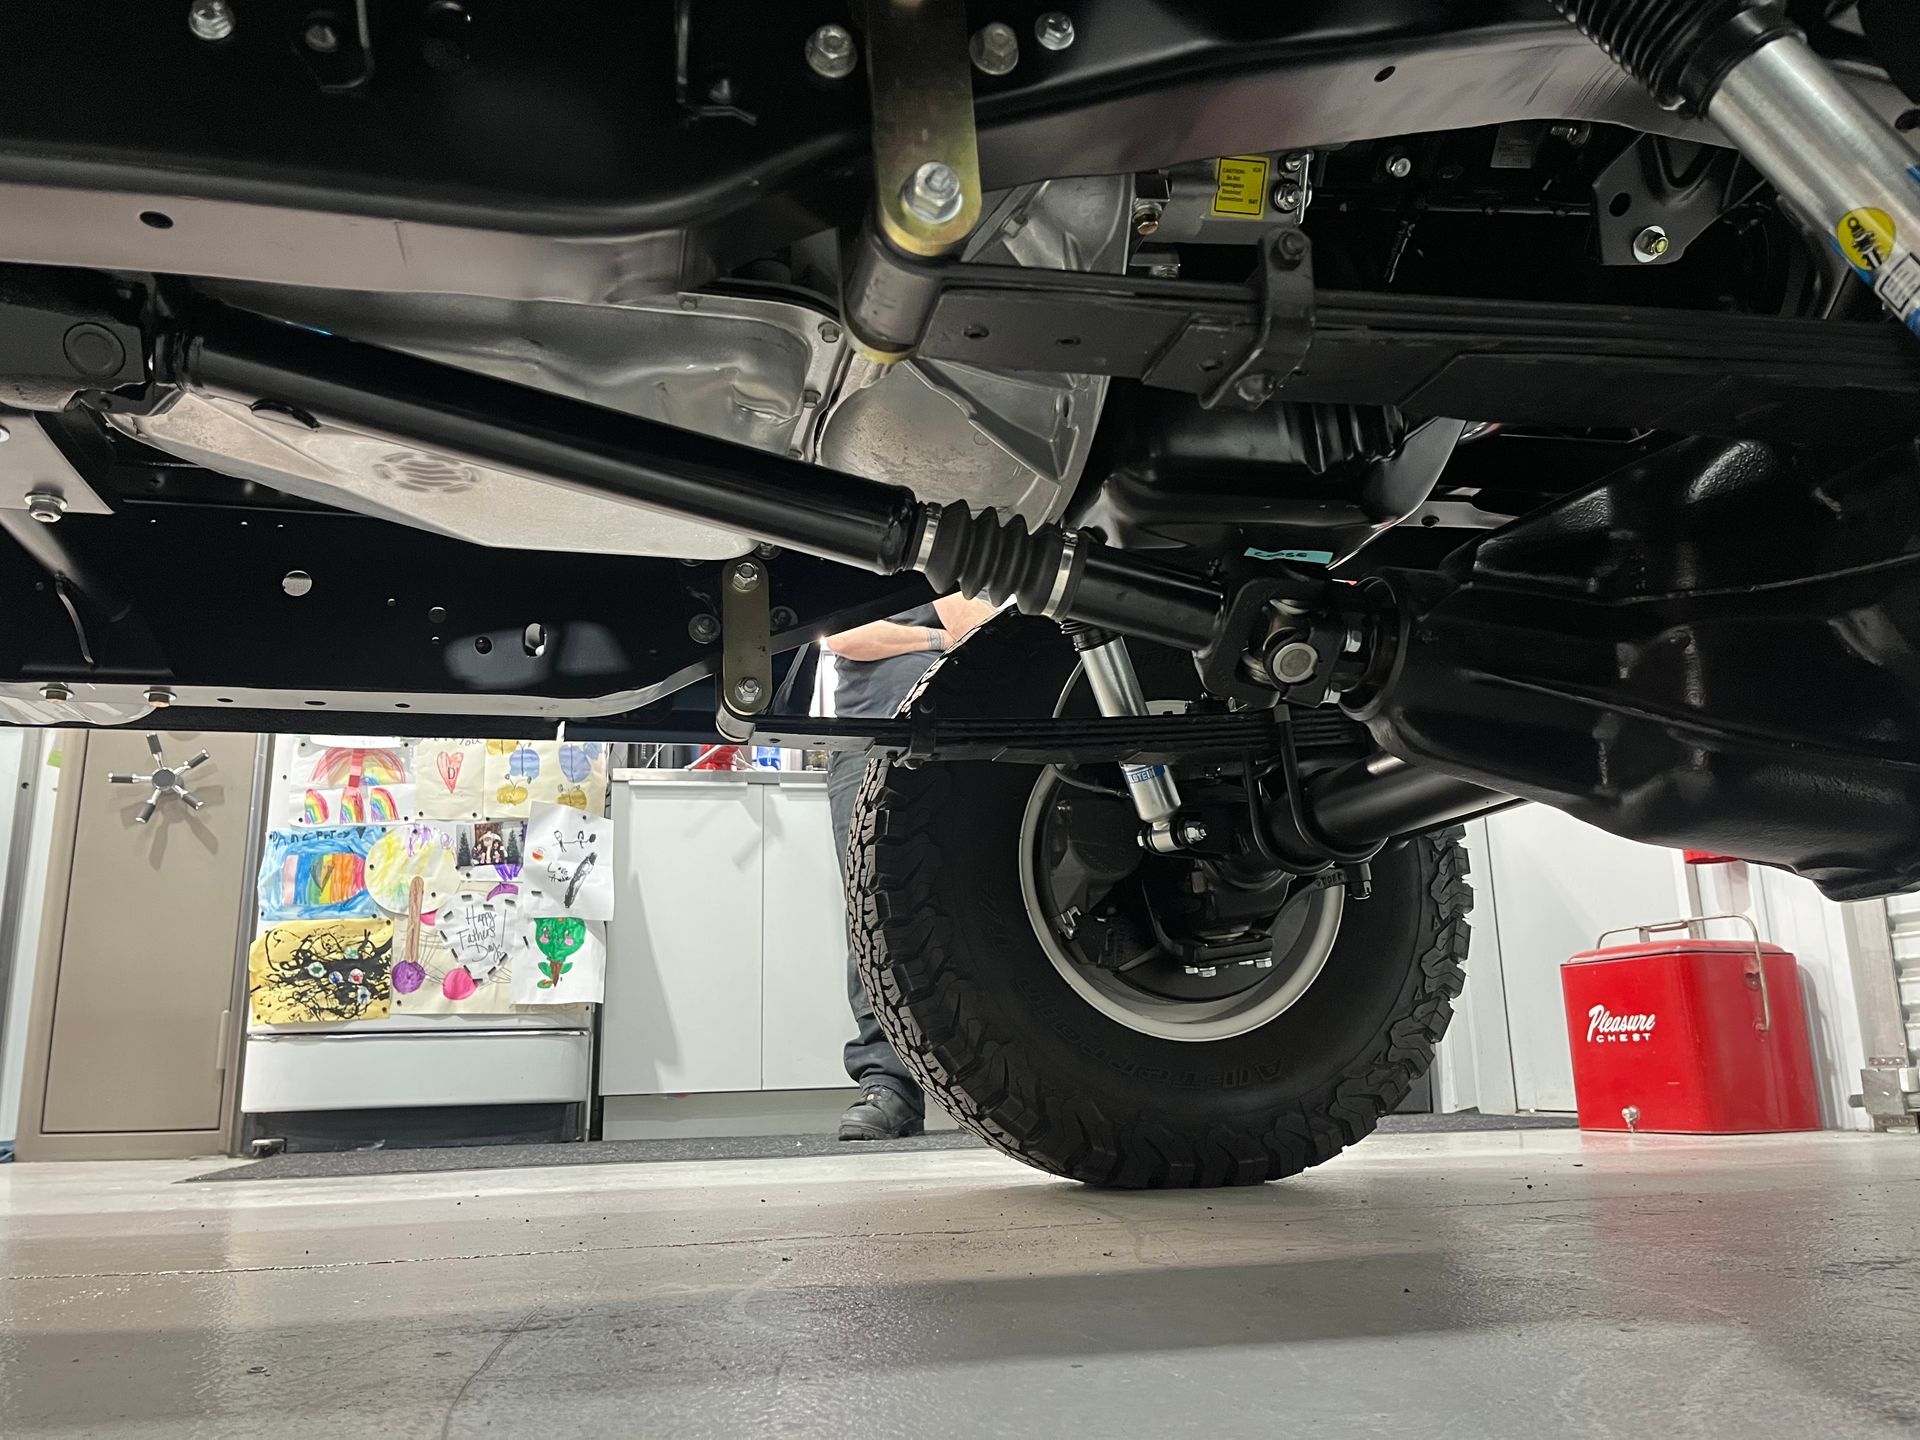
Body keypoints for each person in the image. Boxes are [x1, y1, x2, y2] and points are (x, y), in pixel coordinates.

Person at [820, 595, 997, 1139]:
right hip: (868, 737)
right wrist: (940, 640)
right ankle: (888, 1083)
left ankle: (996, 1089)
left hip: (966, 738)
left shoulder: (969, 556)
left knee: (981, 904)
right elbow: (844, 637)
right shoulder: (855, 563)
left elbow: (984, 631)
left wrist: (935, 577)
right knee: (875, 914)